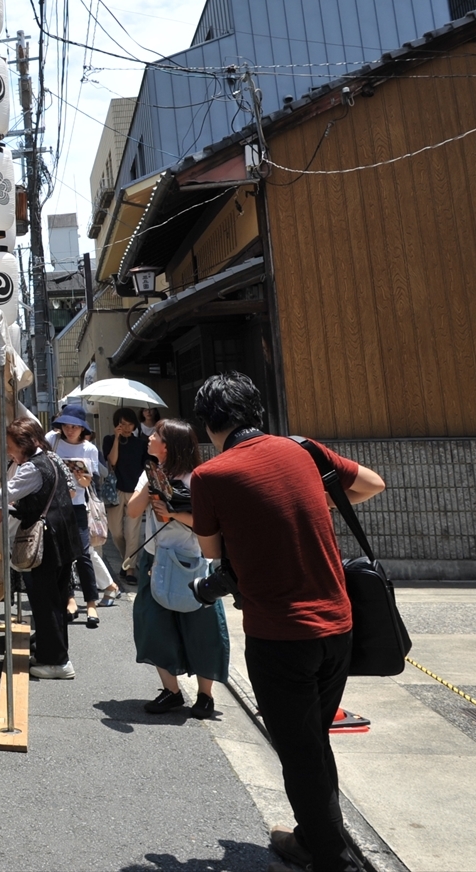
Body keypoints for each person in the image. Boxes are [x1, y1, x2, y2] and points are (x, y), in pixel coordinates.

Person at [188, 372, 386, 872]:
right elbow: (372, 485)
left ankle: (327, 856)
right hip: (339, 627)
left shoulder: (211, 476)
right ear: (255, 413)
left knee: (298, 750)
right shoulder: (305, 450)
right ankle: (316, 833)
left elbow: (212, 551)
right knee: (312, 739)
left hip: (279, 635)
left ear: (212, 422)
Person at [0, 417, 77, 680]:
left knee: (46, 603)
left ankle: (58, 663)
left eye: (11, 446)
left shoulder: (33, 468)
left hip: (48, 543)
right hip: (62, 540)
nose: (9, 451)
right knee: (52, 602)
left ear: (27, 444)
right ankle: (51, 654)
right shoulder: (50, 459)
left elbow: (5, 494)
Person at [126, 418, 229, 719]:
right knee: (153, 624)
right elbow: (133, 510)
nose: (149, 438)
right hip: (153, 560)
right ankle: (171, 691)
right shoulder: (151, 474)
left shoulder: (199, 478)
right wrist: (153, 482)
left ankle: (205, 696)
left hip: (192, 562)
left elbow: (211, 524)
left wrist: (174, 514)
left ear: (169, 445)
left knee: (202, 630)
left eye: (155, 435)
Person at [48, 405, 119, 627]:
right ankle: (69, 598)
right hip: (55, 505)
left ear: (82, 428)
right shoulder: (52, 440)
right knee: (61, 556)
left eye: (75, 426)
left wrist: (83, 479)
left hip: (78, 506)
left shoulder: (89, 449)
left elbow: (92, 482)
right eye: (66, 425)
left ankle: (90, 604)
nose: (70, 430)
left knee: (83, 555)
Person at [102, 408, 149, 580]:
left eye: (130, 424)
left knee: (132, 532)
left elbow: (146, 468)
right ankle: (126, 561)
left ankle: (129, 569)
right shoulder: (109, 440)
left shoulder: (142, 444)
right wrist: (116, 438)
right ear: (117, 424)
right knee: (115, 532)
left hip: (136, 491)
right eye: (123, 424)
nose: (127, 428)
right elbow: (112, 462)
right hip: (116, 490)